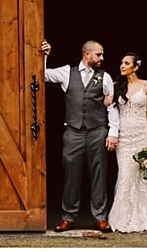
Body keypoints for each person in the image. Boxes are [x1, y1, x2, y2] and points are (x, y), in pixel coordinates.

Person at [40, 39, 120, 233]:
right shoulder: (68, 72)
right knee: (70, 176)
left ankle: (100, 218)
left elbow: (111, 106)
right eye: (99, 54)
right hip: (73, 132)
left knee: (98, 175)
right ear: (87, 54)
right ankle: (68, 217)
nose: (102, 58)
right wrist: (44, 56)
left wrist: (113, 132)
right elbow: (43, 75)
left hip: (97, 131)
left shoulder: (105, 77)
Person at [106, 52, 147, 232]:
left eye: (126, 63)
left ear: (136, 67)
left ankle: (145, 217)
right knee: (125, 173)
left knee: (143, 175)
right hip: (124, 134)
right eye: (121, 63)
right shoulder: (116, 85)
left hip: (141, 133)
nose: (122, 66)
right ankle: (123, 218)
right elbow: (108, 105)